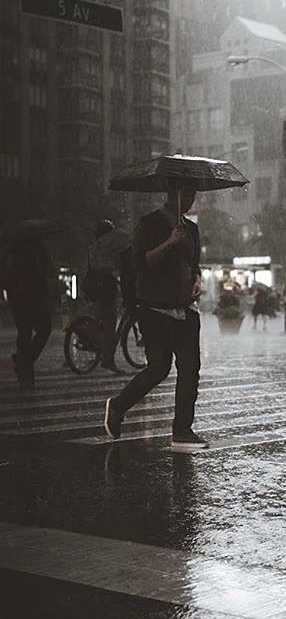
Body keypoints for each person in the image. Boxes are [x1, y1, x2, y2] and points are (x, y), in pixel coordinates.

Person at [104, 180, 208, 451]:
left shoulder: (192, 229)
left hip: (185, 308)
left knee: (189, 369)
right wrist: (171, 241)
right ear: (170, 194)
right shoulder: (149, 224)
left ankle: (182, 430)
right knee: (158, 368)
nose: (189, 200)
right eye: (184, 193)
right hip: (154, 308)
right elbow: (141, 262)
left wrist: (197, 280)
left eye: (192, 195)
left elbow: (194, 265)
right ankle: (118, 405)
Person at [0, 227, 53, 390]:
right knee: (25, 334)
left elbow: (48, 269)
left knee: (44, 330)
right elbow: (4, 275)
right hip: (21, 298)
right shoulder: (13, 253)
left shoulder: (40, 250)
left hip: (38, 297)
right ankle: (26, 376)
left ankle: (23, 361)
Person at [85, 219, 124, 374]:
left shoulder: (92, 248)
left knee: (98, 316)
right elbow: (111, 266)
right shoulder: (107, 247)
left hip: (94, 288)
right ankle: (108, 359)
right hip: (106, 288)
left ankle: (96, 343)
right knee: (110, 324)